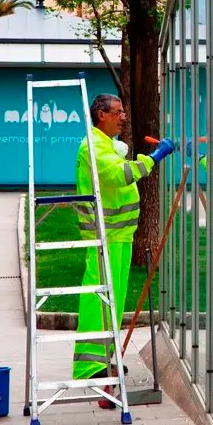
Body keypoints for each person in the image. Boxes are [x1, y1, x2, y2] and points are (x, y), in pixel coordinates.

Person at [72, 93, 176, 407]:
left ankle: (106, 362)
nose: (123, 117)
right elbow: (120, 175)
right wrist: (154, 157)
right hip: (105, 240)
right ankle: (92, 369)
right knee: (99, 302)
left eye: (123, 112)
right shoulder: (92, 146)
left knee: (111, 303)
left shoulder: (105, 145)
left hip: (119, 237)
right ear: (100, 114)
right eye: (117, 112)